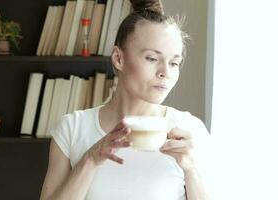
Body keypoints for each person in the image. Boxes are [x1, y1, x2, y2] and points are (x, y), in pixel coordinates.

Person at [40, 0, 212, 199]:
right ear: (118, 58)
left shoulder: (190, 130)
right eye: (152, 59)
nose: (165, 72)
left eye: (174, 63)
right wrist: (90, 159)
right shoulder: (72, 129)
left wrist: (191, 169)